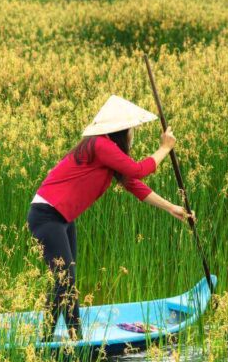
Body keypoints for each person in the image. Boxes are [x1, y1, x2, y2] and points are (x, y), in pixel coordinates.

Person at [27, 95, 194, 342]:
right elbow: (138, 169)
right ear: (120, 130)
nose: (132, 135)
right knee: (65, 279)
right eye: (131, 130)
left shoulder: (106, 151)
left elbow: (134, 184)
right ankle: (60, 340)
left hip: (63, 218)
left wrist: (171, 208)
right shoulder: (100, 145)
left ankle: (63, 338)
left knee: (65, 280)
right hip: (46, 215)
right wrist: (164, 149)